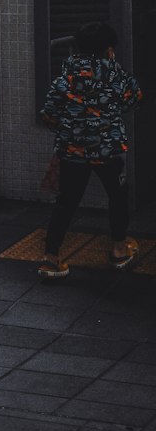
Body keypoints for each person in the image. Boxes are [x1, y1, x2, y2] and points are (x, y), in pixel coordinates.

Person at [38, 21, 143, 280]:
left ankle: (51, 259)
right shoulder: (119, 77)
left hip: (73, 151)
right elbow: (134, 99)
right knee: (118, 197)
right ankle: (119, 250)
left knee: (66, 202)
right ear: (109, 50)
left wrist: (69, 125)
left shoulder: (65, 78)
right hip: (109, 150)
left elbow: (48, 115)